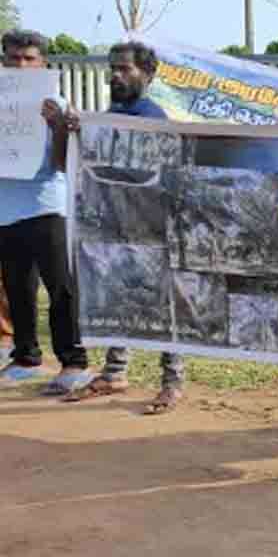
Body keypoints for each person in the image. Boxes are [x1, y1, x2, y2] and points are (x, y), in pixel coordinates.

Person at [53, 42, 187, 413]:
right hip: (116, 223)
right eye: (113, 68)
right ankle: (115, 372)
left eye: (125, 69)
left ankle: (172, 382)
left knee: (162, 304)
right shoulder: (111, 114)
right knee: (117, 295)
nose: (116, 75)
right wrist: (78, 133)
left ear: (148, 75)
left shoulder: (153, 117)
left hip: (152, 225)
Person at [0, 30, 90, 393]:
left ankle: (73, 362)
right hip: (6, 209)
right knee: (18, 288)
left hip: (48, 205)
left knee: (61, 287)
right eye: (13, 58)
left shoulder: (58, 105)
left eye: (29, 58)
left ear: (44, 64)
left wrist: (59, 127)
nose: (21, 65)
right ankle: (25, 357)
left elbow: (62, 165)